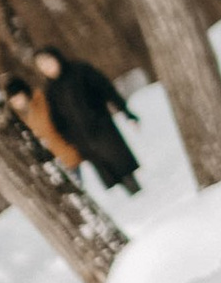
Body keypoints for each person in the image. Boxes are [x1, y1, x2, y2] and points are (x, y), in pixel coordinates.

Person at [11, 46, 142, 194]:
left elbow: (106, 90)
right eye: (42, 66)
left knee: (122, 166)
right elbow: (57, 120)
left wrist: (126, 112)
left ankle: (138, 192)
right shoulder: (51, 91)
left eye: (48, 61)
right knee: (111, 174)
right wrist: (71, 139)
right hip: (83, 141)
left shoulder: (80, 71)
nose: (47, 67)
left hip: (102, 128)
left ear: (56, 57)